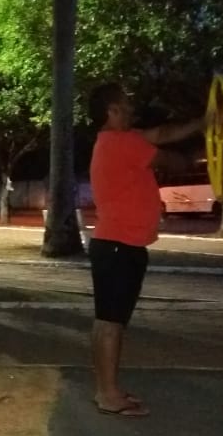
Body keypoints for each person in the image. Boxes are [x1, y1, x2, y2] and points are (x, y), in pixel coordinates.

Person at [87, 83, 207, 417]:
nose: (132, 109)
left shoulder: (116, 140)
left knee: (107, 321)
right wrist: (203, 150)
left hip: (115, 245)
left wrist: (203, 123)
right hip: (119, 246)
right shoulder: (123, 143)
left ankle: (106, 389)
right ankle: (108, 395)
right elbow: (172, 159)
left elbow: (162, 133)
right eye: (125, 105)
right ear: (112, 110)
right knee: (111, 323)